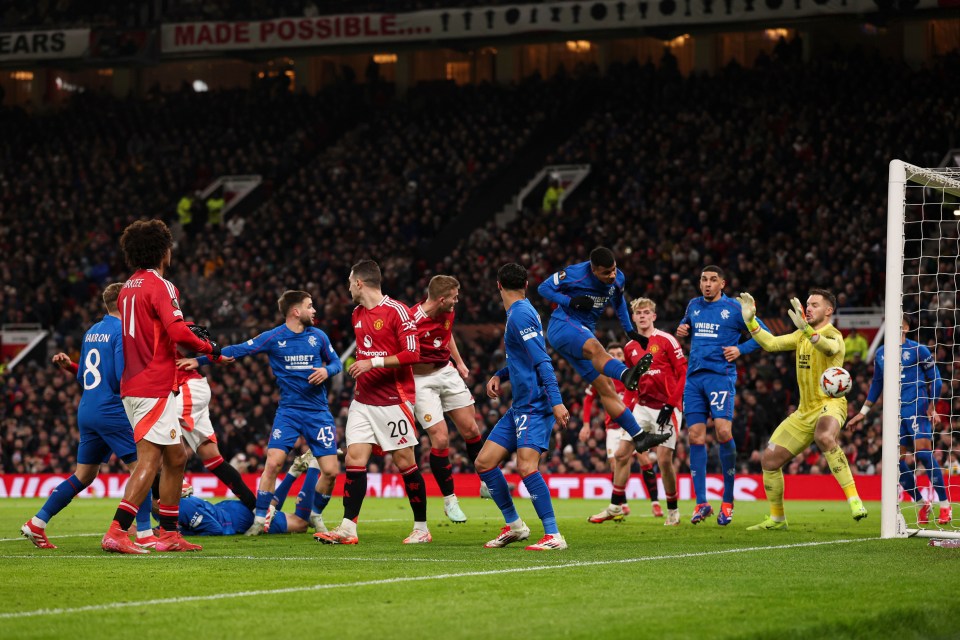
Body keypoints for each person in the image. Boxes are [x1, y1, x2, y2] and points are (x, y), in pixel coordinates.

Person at [101, 219, 221, 554]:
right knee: (150, 461)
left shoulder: (127, 288)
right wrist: (211, 350)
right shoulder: (161, 285)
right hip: (152, 383)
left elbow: (153, 330)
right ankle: (117, 531)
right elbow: (178, 332)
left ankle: (168, 532)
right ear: (163, 250)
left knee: (177, 456)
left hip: (137, 383)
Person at [181, 290, 342, 535]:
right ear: (295, 311)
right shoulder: (274, 337)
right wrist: (201, 361)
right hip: (288, 413)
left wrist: (326, 371)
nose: (314, 310)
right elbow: (239, 350)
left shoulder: (318, 337)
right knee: (273, 463)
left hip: (318, 412)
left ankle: (316, 514)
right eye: (310, 306)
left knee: (331, 471)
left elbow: (337, 363)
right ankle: (259, 519)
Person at [21, 284, 155, 550]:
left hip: (88, 410)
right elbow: (119, 377)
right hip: (112, 410)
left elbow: (84, 376)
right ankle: (145, 534)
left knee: (84, 474)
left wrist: (69, 366)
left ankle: (37, 522)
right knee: (142, 468)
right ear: (126, 302)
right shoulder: (122, 332)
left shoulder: (92, 332)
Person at [316, 260, 431, 545]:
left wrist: (373, 363)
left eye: (349, 282)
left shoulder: (398, 311)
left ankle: (421, 528)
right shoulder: (356, 314)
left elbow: (412, 354)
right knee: (355, 459)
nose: (348, 287)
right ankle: (347, 528)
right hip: (363, 400)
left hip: (393, 400)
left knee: (405, 462)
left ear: (359, 283)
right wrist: (364, 367)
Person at [737, 290, 868, 529]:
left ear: (828, 311)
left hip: (830, 404)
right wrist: (750, 321)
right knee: (769, 461)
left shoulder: (834, 335)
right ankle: (777, 519)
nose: (808, 308)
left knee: (824, 436)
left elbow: (828, 349)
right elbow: (771, 344)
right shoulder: (800, 335)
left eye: (814, 305)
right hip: (804, 411)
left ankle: (854, 499)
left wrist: (808, 330)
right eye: (807, 304)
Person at [475, 262, 571, 550]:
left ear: (498, 285)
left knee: (527, 466)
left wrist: (556, 402)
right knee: (484, 462)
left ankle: (553, 535)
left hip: (535, 404)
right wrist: (500, 375)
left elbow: (542, 360)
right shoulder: (522, 312)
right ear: (526, 285)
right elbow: (523, 359)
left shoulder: (520, 315)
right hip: (520, 406)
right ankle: (515, 526)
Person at [538, 246, 665, 454]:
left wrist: (629, 332)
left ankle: (640, 437)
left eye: (614, 269)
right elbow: (543, 288)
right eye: (606, 272)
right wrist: (570, 301)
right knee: (597, 347)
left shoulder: (618, 278)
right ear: (593, 270)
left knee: (606, 387)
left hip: (581, 331)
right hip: (564, 324)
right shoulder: (575, 274)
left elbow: (619, 302)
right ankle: (626, 374)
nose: (612, 274)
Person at [676, 265, 763, 526]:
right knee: (694, 435)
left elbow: (763, 335)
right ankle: (701, 503)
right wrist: (682, 329)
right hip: (694, 378)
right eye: (704, 279)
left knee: (724, 432)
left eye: (713, 280)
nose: (707, 284)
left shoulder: (736, 309)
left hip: (720, 377)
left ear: (722, 284)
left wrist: (741, 350)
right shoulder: (693, 305)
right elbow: (686, 325)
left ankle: (728, 500)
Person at [589, 298, 688, 526]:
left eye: (646, 313)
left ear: (653, 316)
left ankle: (672, 509)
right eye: (638, 313)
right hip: (642, 408)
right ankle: (615, 506)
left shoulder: (667, 340)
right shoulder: (629, 348)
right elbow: (633, 385)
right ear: (633, 318)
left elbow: (682, 374)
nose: (642, 316)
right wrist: (628, 411)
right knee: (622, 454)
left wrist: (671, 404)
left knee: (664, 460)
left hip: (668, 408)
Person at [848, 317, 950, 524]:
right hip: (895, 412)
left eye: (898, 322)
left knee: (922, 452)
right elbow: (877, 384)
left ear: (906, 327)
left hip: (918, 405)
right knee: (895, 463)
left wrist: (932, 404)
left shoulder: (918, 350)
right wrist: (863, 412)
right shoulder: (881, 353)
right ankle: (922, 504)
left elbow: (936, 379)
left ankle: (945, 505)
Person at [411, 275, 484, 523]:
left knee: (471, 428)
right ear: (441, 299)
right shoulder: (411, 320)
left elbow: (447, 333)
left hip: (446, 371)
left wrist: (460, 363)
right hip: (420, 380)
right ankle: (450, 500)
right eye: (454, 297)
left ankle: (486, 481)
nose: (457, 301)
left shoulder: (447, 311)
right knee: (440, 439)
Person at [175, 323, 257, 512]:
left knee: (161, 423)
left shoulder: (168, 328)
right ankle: (255, 507)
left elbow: (199, 336)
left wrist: (209, 357)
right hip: (189, 390)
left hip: (189, 388)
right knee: (212, 458)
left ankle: (178, 478)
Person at [580, 342, 655, 522]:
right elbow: (588, 400)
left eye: (618, 353)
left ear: (623, 357)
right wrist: (585, 424)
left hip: (631, 424)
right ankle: (621, 503)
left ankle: (655, 502)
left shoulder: (630, 375)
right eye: (611, 353)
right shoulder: (602, 377)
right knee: (616, 463)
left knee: (643, 459)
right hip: (612, 427)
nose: (615, 356)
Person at [172, 495, 309, 536]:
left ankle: (311, 467)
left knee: (301, 524)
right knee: (278, 513)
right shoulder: (163, 507)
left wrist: (183, 533)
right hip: (228, 509)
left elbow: (215, 529)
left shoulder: (183, 506)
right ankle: (293, 472)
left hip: (237, 518)